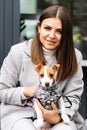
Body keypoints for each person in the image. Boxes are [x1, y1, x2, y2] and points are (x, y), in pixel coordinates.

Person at [0, 5, 85, 130]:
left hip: (58, 115)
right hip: (20, 113)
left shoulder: (74, 56)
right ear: (39, 28)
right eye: (47, 28)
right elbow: (2, 91)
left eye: (59, 31)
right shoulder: (18, 51)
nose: (52, 35)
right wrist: (25, 91)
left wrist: (58, 116)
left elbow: (73, 97)